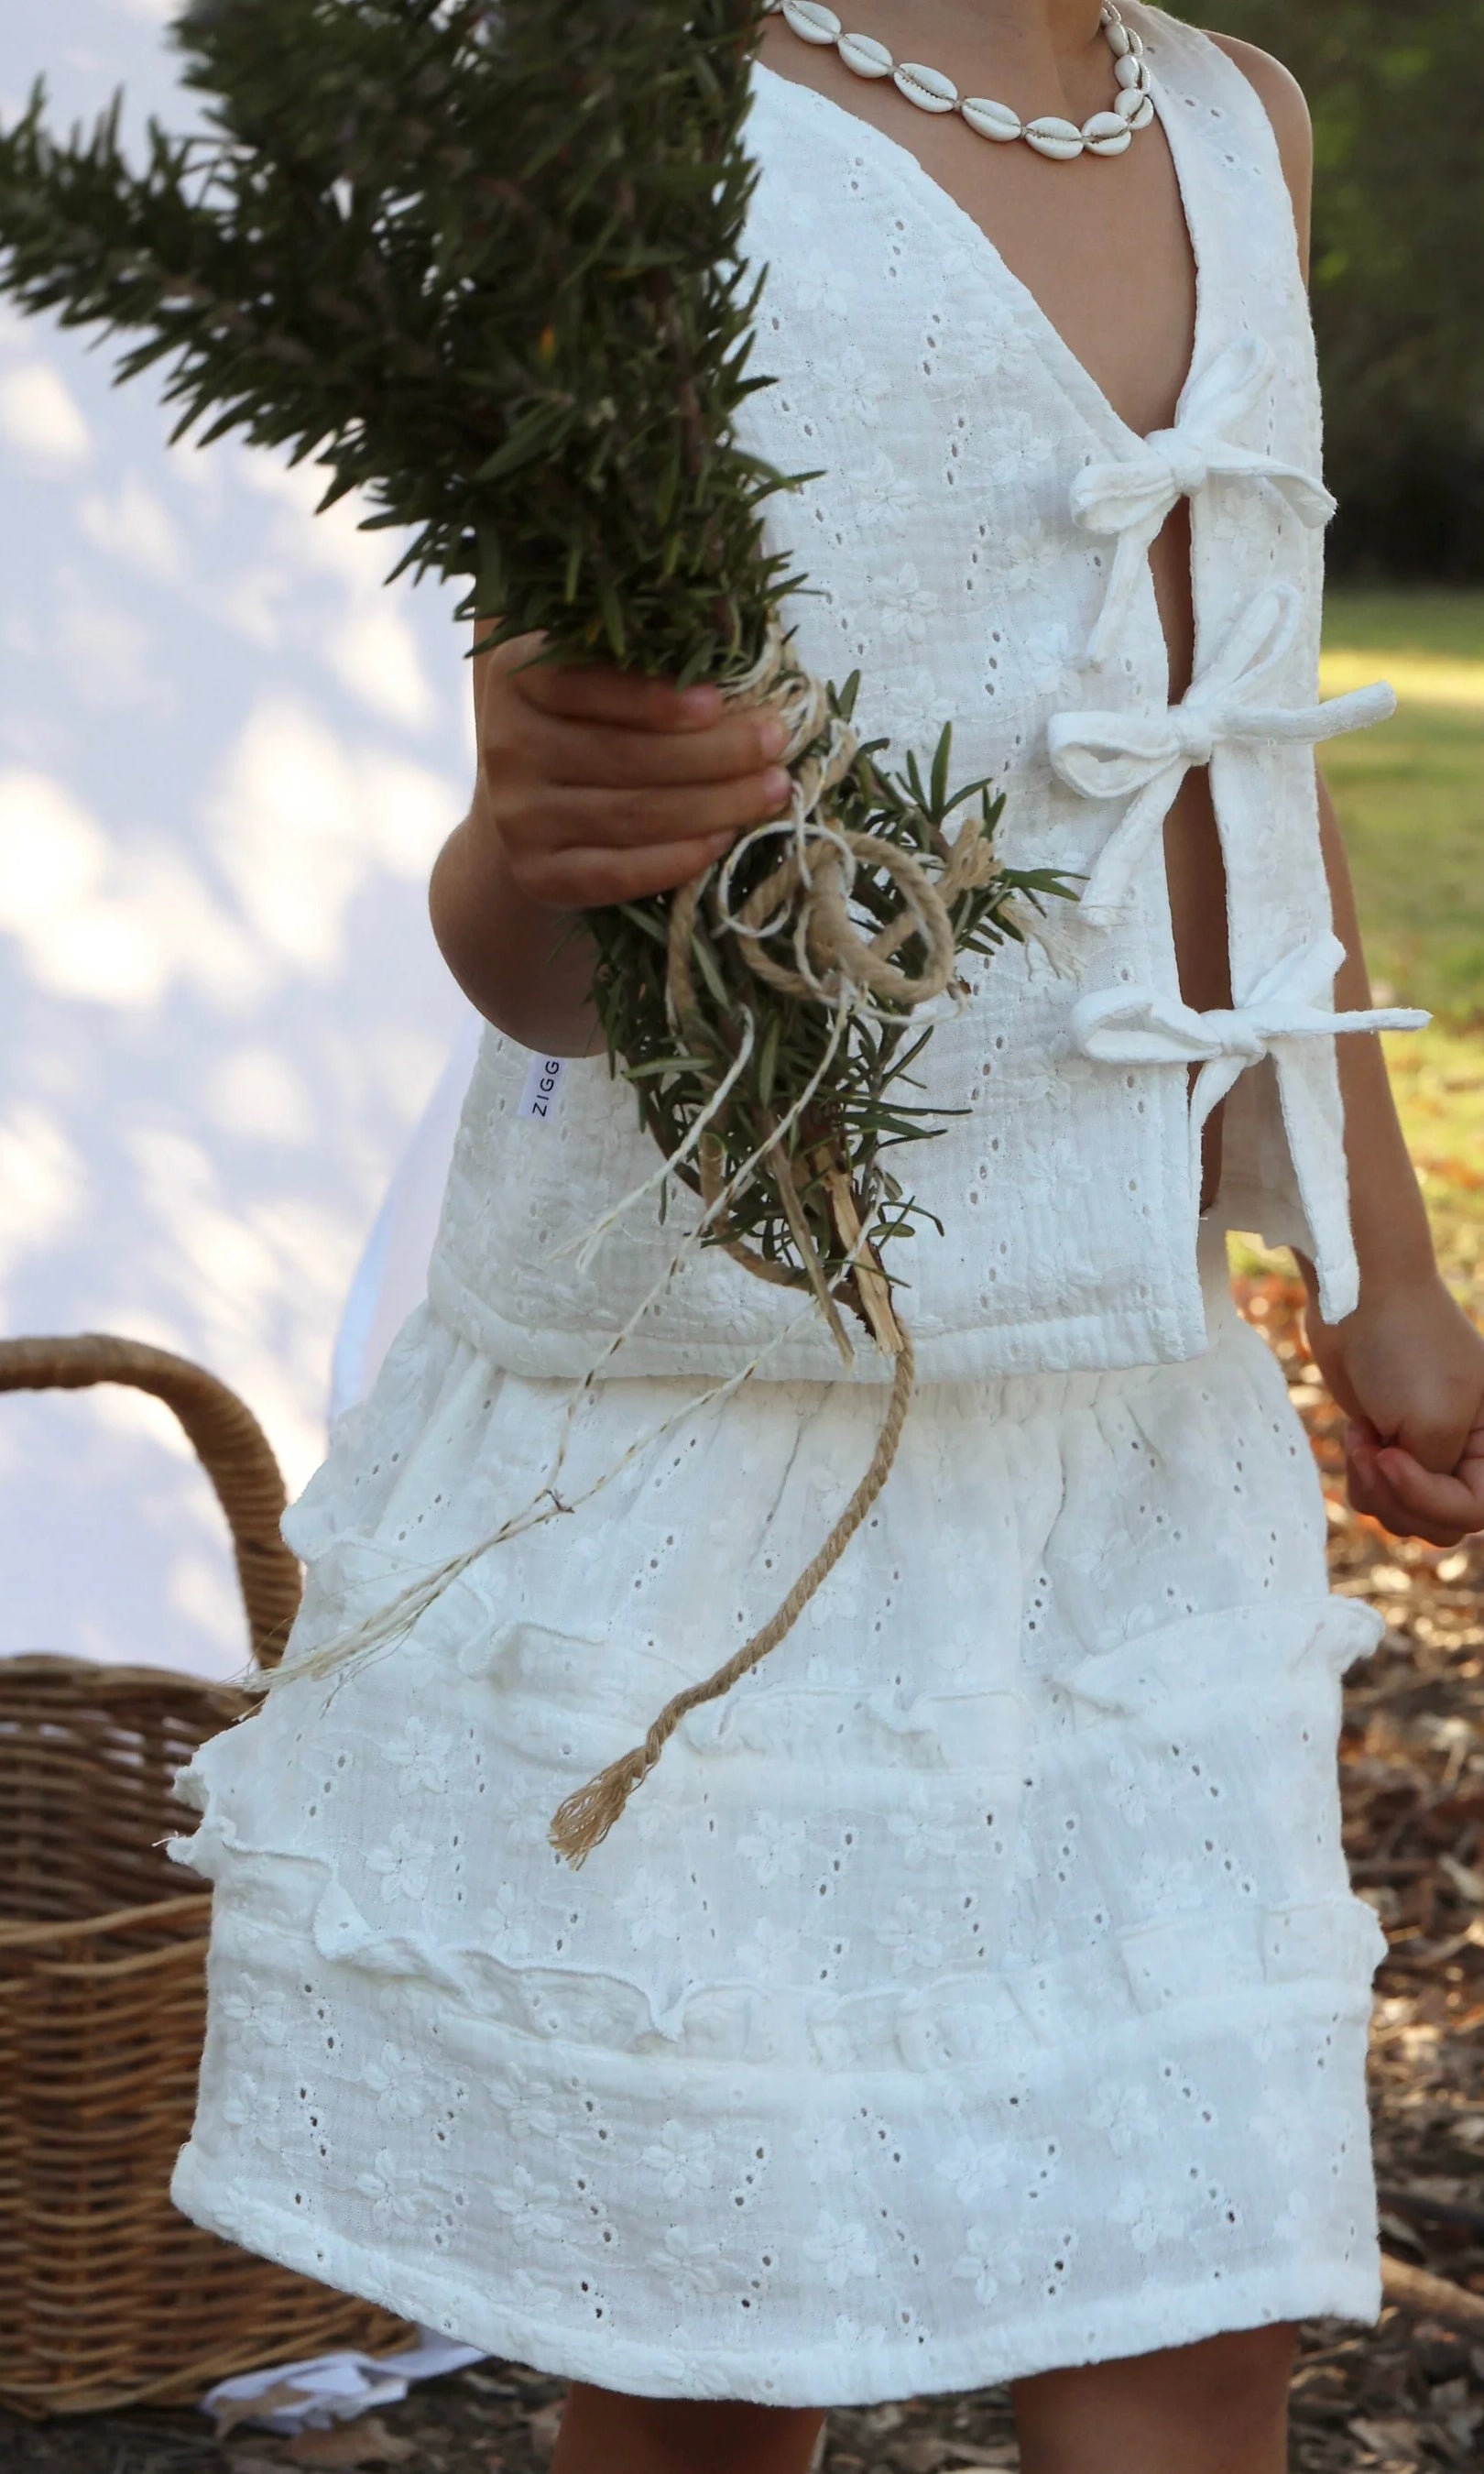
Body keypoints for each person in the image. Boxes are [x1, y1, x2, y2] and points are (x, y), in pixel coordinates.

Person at [166, 7, 1484, 2472]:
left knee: (1193, 2290)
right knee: (713, 2335)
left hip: (1120, 1426)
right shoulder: (621, 114)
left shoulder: (1238, 127)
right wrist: (543, 836)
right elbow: (544, 950)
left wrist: (1371, 1252)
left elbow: (1239, 744)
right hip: (718, 1438)